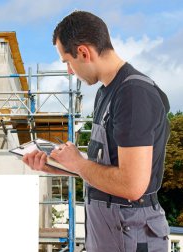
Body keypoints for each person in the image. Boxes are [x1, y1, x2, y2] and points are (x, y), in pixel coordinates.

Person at [23, 11, 170, 252]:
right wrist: (60, 166)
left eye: (67, 61)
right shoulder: (106, 93)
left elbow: (132, 186)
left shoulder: (133, 94)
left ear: (83, 52)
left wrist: (78, 163)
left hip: (132, 237)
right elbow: (106, 173)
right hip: (109, 235)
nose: (70, 71)